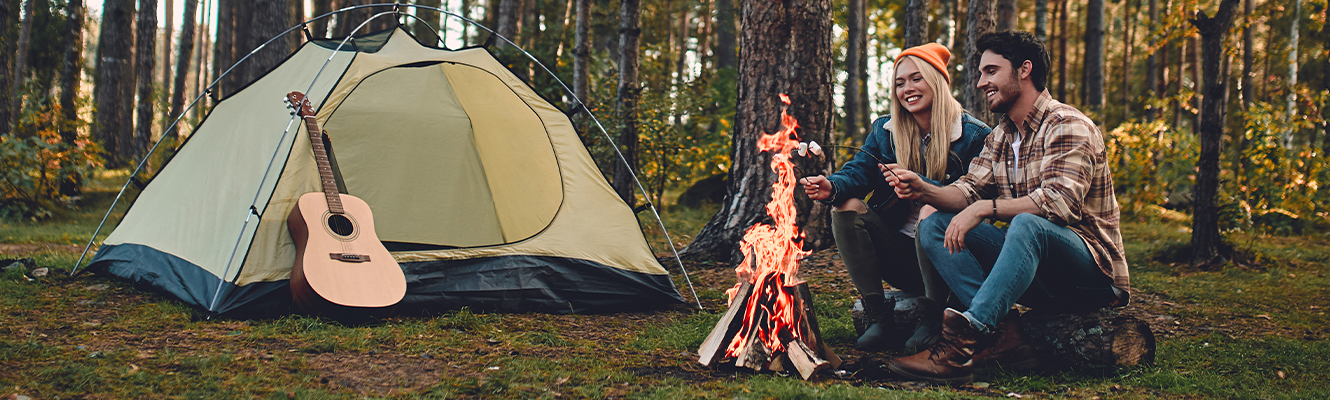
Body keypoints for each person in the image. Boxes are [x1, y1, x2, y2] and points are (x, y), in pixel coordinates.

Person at [880, 31, 1131, 385]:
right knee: (935, 223)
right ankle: (1007, 336)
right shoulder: (1000, 136)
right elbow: (965, 191)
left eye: (991, 71)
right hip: (1034, 274)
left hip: (1090, 276)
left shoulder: (1067, 124)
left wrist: (983, 209)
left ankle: (962, 343)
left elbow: (1058, 203)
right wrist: (925, 190)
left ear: (1024, 70)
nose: (981, 83)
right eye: (981, 73)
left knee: (1028, 224)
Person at [799, 43, 991, 351]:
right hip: (901, 256)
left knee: (931, 207)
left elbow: (979, 198)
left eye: (916, 78)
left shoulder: (974, 136)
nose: (907, 89)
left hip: (950, 258)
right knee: (845, 206)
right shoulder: (884, 130)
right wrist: (831, 186)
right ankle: (878, 315)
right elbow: (858, 173)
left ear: (938, 81)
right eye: (900, 83)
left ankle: (931, 318)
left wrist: (923, 187)